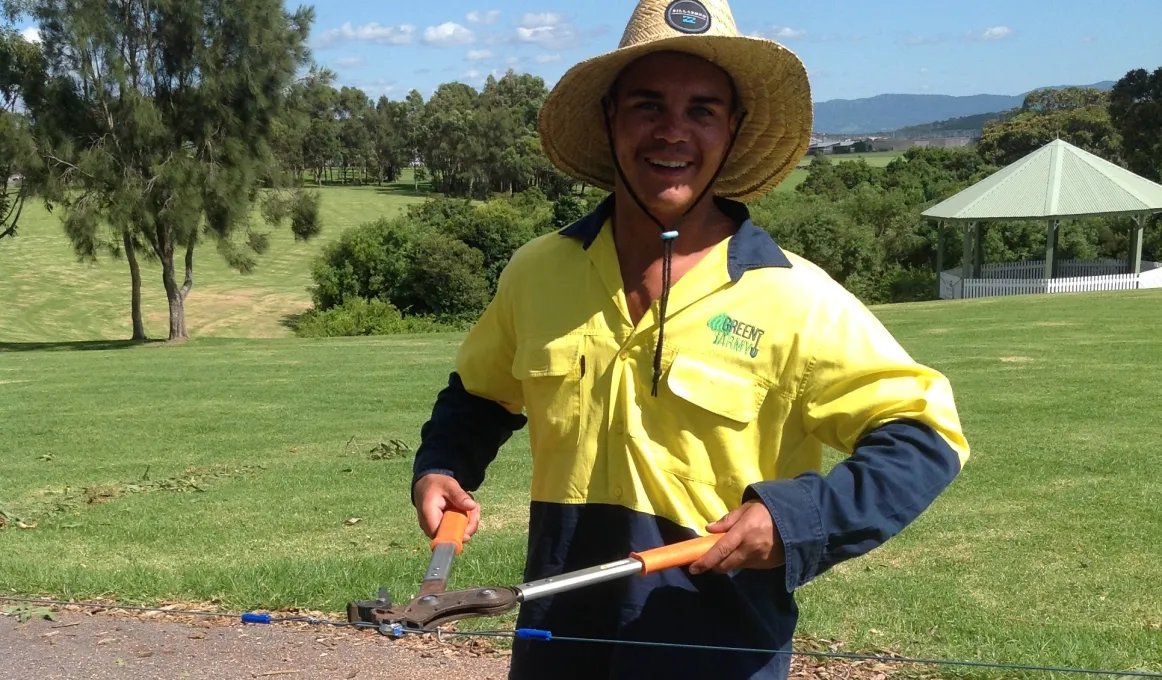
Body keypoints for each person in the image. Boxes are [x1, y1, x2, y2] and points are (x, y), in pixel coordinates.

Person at [410, 0, 971, 678]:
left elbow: (924, 435)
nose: (673, 132)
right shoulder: (537, 272)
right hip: (556, 648)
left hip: (718, 655)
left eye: (702, 110)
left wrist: (797, 519)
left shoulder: (796, 296)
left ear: (731, 131)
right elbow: (480, 395)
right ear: (609, 117)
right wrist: (444, 465)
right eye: (648, 106)